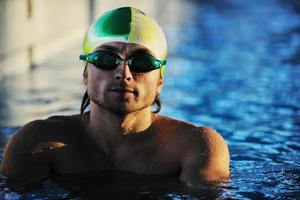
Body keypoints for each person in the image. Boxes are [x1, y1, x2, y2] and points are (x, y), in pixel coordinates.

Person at [0, 7, 230, 187]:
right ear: (85, 73)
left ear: (160, 81)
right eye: (106, 60)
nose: (123, 74)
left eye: (142, 62)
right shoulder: (37, 142)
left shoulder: (194, 147)